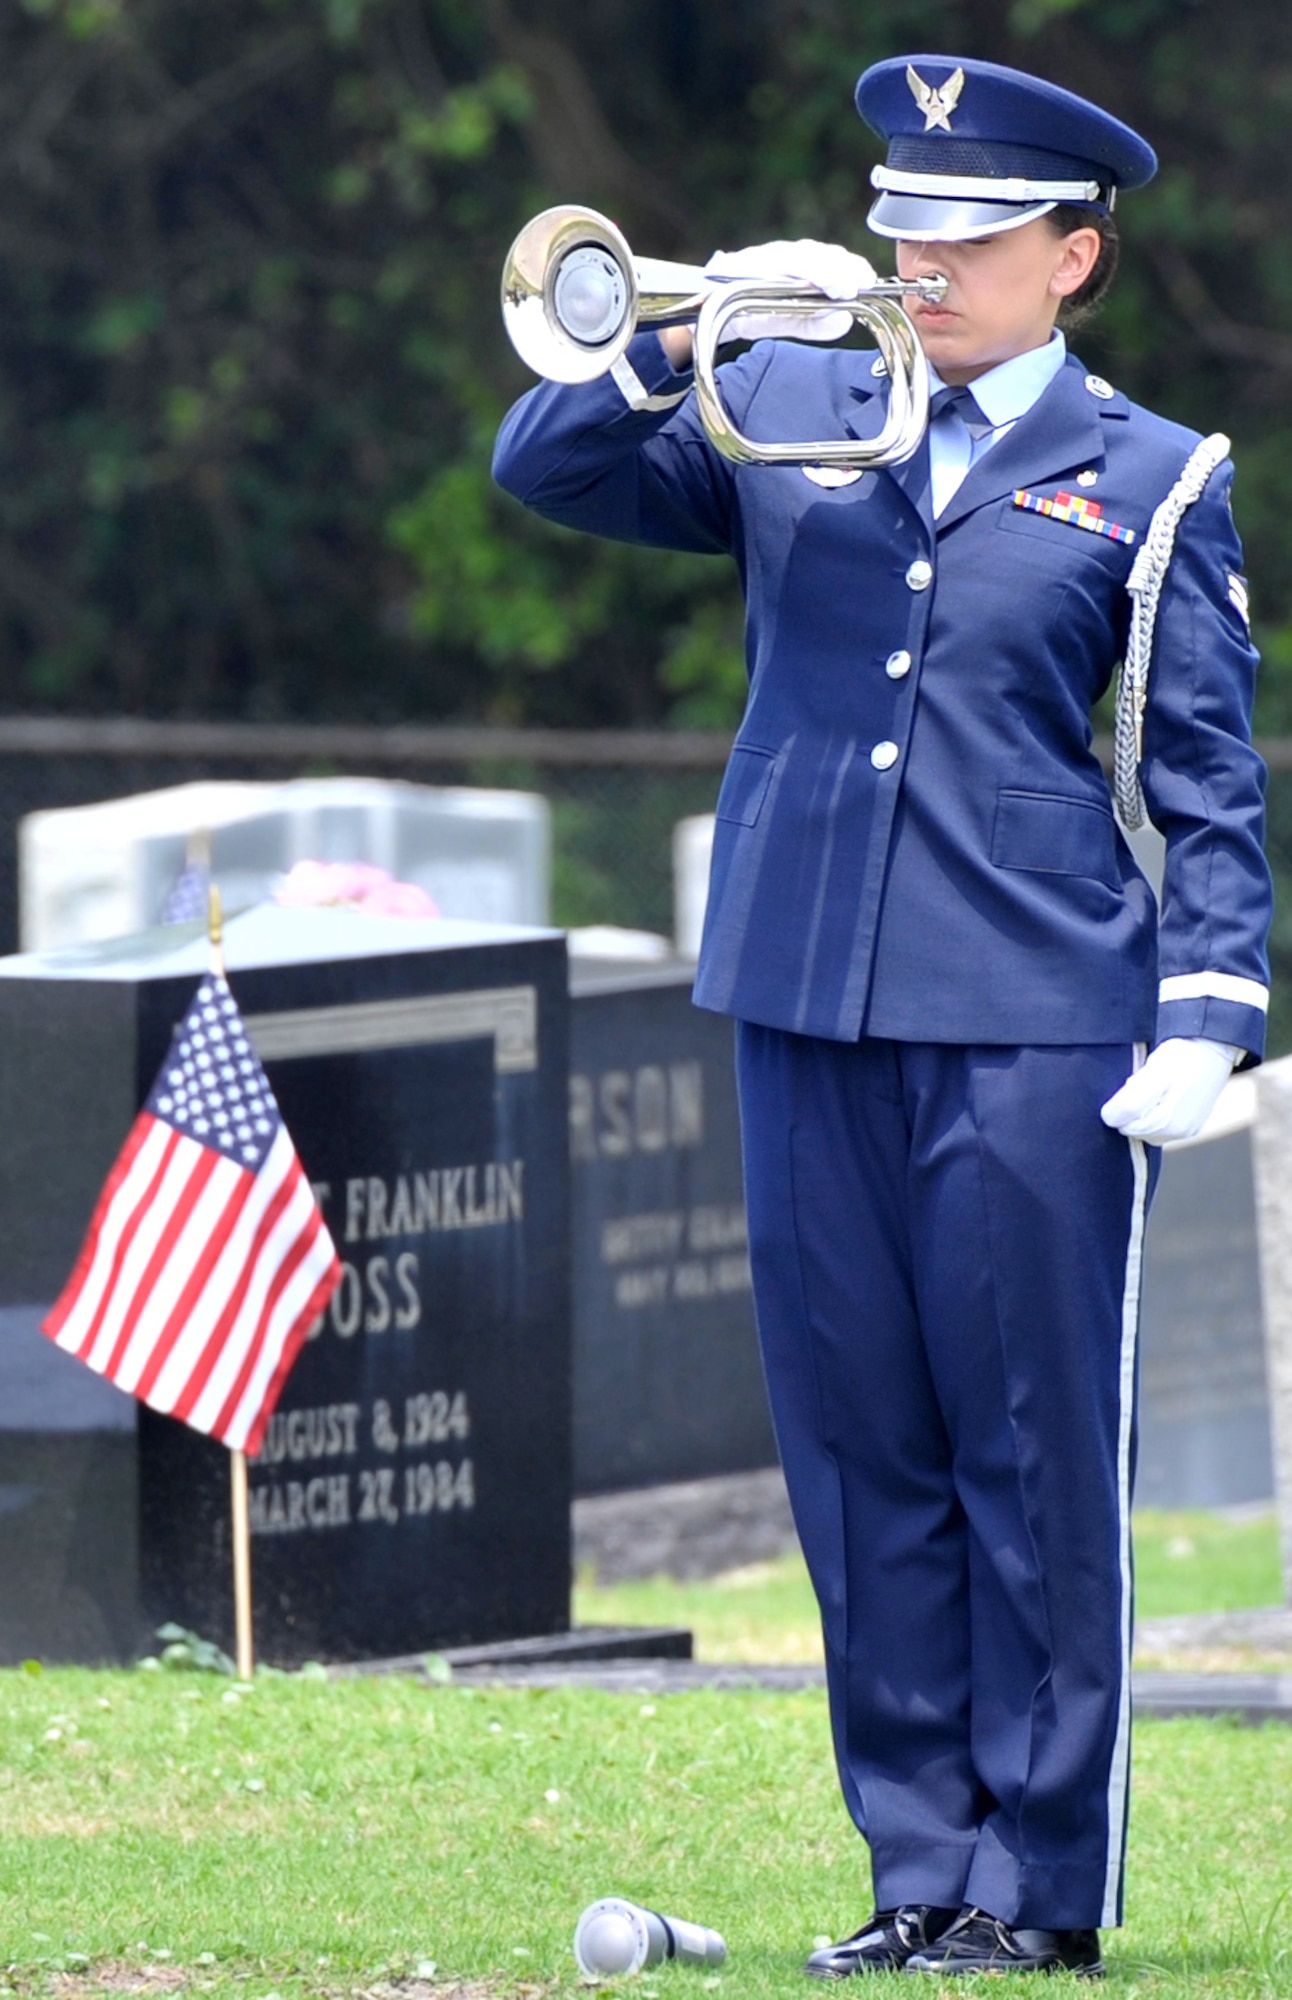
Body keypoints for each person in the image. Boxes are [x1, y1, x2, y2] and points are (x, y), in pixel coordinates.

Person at [494, 53, 1272, 1980]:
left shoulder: (1157, 477)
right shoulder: (786, 402)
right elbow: (547, 467)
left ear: (1071, 256)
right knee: (860, 1460)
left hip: (1032, 1019)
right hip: (804, 996)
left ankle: (1035, 1890)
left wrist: (1212, 1009)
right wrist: (677, 345)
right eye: (902, 231)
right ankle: (916, 1864)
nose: (921, 268)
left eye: (971, 238)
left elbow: (1206, 783)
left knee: (1027, 1457)